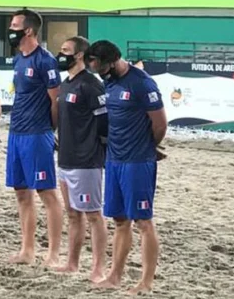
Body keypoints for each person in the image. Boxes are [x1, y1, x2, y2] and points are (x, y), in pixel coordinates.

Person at [86, 40, 166, 294]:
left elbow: (160, 124)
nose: (98, 71)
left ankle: (146, 282)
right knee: (120, 220)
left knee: (143, 221)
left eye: (100, 66)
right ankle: (115, 275)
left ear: (113, 60)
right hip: (115, 159)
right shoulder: (109, 82)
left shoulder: (142, 83)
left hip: (137, 161)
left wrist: (146, 147)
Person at [7, 9, 62, 266]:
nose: (11, 28)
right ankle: (27, 250)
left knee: (46, 192)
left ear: (28, 30)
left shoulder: (45, 60)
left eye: (15, 25)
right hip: (17, 132)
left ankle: (52, 252)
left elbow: (56, 101)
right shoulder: (19, 59)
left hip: (37, 133)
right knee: (22, 192)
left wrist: (49, 131)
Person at [54, 36, 108, 282]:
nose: (60, 54)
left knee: (94, 215)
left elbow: (103, 123)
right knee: (73, 214)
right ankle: (72, 263)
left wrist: (97, 149)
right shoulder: (66, 84)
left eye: (65, 50)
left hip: (86, 160)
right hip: (65, 158)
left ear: (78, 55)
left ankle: (98, 268)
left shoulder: (91, 85)